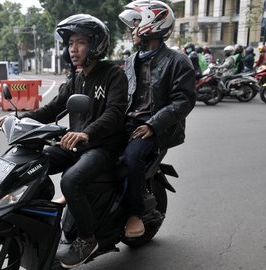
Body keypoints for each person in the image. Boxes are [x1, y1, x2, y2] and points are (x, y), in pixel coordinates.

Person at [0, 14, 127, 268]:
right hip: (74, 145)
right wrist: (17, 120)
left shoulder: (113, 75)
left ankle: (87, 239)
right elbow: (51, 109)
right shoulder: (75, 79)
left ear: (96, 44)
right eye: (70, 44)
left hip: (102, 147)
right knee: (30, 164)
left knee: (71, 180)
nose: (73, 49)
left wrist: (86, 132)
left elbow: (115, 112)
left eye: (80, 42)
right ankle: (33, 223)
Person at [118, 0, 195, 239]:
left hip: (157, 129)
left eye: (136, 23)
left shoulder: (178, 61)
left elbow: (183, 101)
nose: (132, 30)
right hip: (129, 123)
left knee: (132, 156)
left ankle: (135, 213)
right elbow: (123, 94)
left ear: (152, 24)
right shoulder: (132, 60)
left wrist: (152, 124)